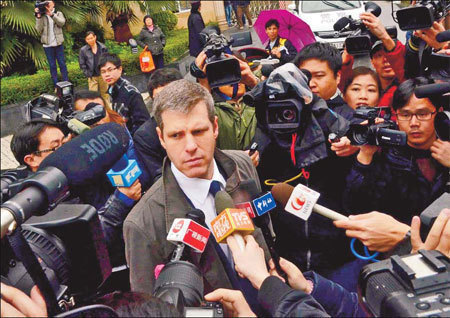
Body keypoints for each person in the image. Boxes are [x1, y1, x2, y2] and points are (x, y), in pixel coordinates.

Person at [123, 80, 270, 308]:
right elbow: (152, 311)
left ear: (215, 127)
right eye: (176, 136)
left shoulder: (241, 164)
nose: (190, 146)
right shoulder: (142, 224)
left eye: (198, 131)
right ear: (161, 138)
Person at [251, 63, 357, 291]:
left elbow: (357, 189)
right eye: (276, 110)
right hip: (287, 261)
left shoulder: (331, 126)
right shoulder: (263, 139)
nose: (284, 116)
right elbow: (259, 197)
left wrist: (353, 147)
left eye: (289, 109)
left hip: (338, 258)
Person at [340, 77, 450, 251]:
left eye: (422, 114)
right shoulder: (386, 153)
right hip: (394, 250)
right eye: (405, 115)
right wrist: (365, 155)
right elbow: (355, 208)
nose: (414, 123)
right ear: (396, 116)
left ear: (439, 113)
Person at [339, 11, 406, 113]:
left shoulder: (403, 91)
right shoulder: (340, 120)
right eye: (379, 55)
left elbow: (405, 71)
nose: (363, 96)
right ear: (372, 61)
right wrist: (345, 60)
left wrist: (384, 36)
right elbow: (338, 79)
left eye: (371, 90)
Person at [133, 68, 183, 189]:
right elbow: (159, 176)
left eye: (173, 96)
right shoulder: (145, 136)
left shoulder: (201, 118)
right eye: (160, 99)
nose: (167, 104)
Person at [294, 42, 355, 122]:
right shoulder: (290, 112)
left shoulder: (350, 118)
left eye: (319, 76)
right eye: (305, 76)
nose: (311, 84)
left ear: (337, 77)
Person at [99, 53, 150, 135]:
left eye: (110, 70)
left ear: (120, 69)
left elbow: (143, 123)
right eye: (103, 72)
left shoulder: (130, 93)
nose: (107, 75)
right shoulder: (112, 89)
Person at [35, 0, 69, 88]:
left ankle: (66, 84)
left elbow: (62, 23)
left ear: (53, 4)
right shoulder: (42, 16)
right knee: (52, 65)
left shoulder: (58, 13)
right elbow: (38, 30)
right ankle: (56, 86)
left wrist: (52, 15)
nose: (47, 5)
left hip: (58, 44)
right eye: (45, 3)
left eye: (48, 3)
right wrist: (38, 16)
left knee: (62, 63)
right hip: (47, 45)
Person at [78, 31, 109, 107]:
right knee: (93, 97)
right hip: (92, 77)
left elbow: (107, 60)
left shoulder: (102, 47)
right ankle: (96, 114)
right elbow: (82, 64)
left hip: (102, 75)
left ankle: (109, 113)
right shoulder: (83, 50)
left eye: (91, 38)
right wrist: (87, 73)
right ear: (86, 40)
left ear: (95, 37)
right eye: (88, 39)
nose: (90, 40)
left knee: (105, 95)